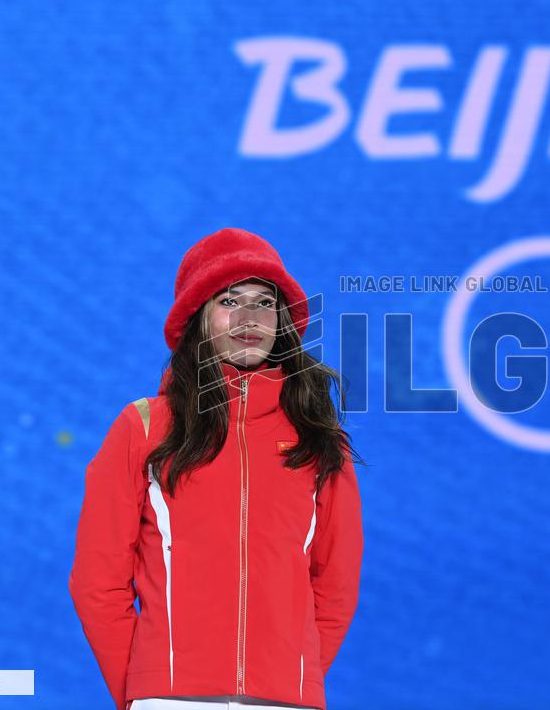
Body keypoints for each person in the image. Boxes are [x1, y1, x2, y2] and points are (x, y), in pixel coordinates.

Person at [68, 227, 365, 710]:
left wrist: (294, 677)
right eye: (230, 299)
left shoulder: (318, 438)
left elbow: (335, 585)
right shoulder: (144, 426)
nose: (250, 316)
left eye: (265, 301)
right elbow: (97, 581)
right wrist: (145, 687)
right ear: (196, 318)